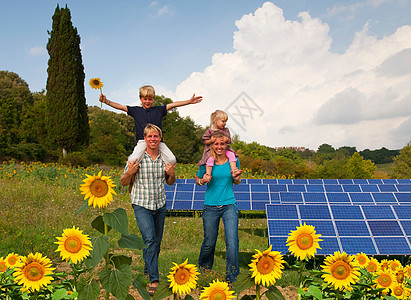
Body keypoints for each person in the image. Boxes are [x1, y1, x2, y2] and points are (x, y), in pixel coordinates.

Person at [120, 124, 176, 296]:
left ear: (160, 139)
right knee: (149, 240)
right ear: (144, 139)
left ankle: (147, 269)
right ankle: (154, 279)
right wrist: (130, 172)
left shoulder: (165, 159)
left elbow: (170, 182)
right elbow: (122, 181)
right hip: (141, 204)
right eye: (149, 136)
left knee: (156, 243)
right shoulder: (136, 159)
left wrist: (172, 173)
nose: (153, 139)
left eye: (156, 136)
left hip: (160, 204)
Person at [100, 85, 202, 165]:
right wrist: (106, 101)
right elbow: (121, 107)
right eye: (145, 99)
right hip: (142, 141)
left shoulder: (159, 110)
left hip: (158, 142)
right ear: (140, 99)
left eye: (150, 99)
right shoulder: (136, 111)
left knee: (171, 159)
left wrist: (189, 101)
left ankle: (163, 173)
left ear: (153, 99)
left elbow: (174, 104)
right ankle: (131, 179)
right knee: (132, 159)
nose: (147, 102)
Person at [196, 131, 243, 284]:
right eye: (216, 144)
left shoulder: (233, 161)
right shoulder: (207, 161)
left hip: (229, 204)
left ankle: (232, 278)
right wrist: (202, 181)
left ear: (226, 145)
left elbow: (236, 181)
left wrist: (237, 178)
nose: (219, 146)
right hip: (210, 206)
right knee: (209, 241)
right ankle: (204, 270)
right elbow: (198, 179)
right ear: (212, 145)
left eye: (222, 144)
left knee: (232, 242)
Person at [198, 110, 238, 182]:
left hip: (225, 150)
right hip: (211, 151)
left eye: (225, 121)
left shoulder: (225, 130)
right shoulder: (209, 131)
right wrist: (211, 141)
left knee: (232, 155)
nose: (224, 123)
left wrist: (226, 139)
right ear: (215, 120)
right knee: (210, 159)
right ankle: (208, 175)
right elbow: (205, 141)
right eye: (223, 121)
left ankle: (234, 170)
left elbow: (229, 141)